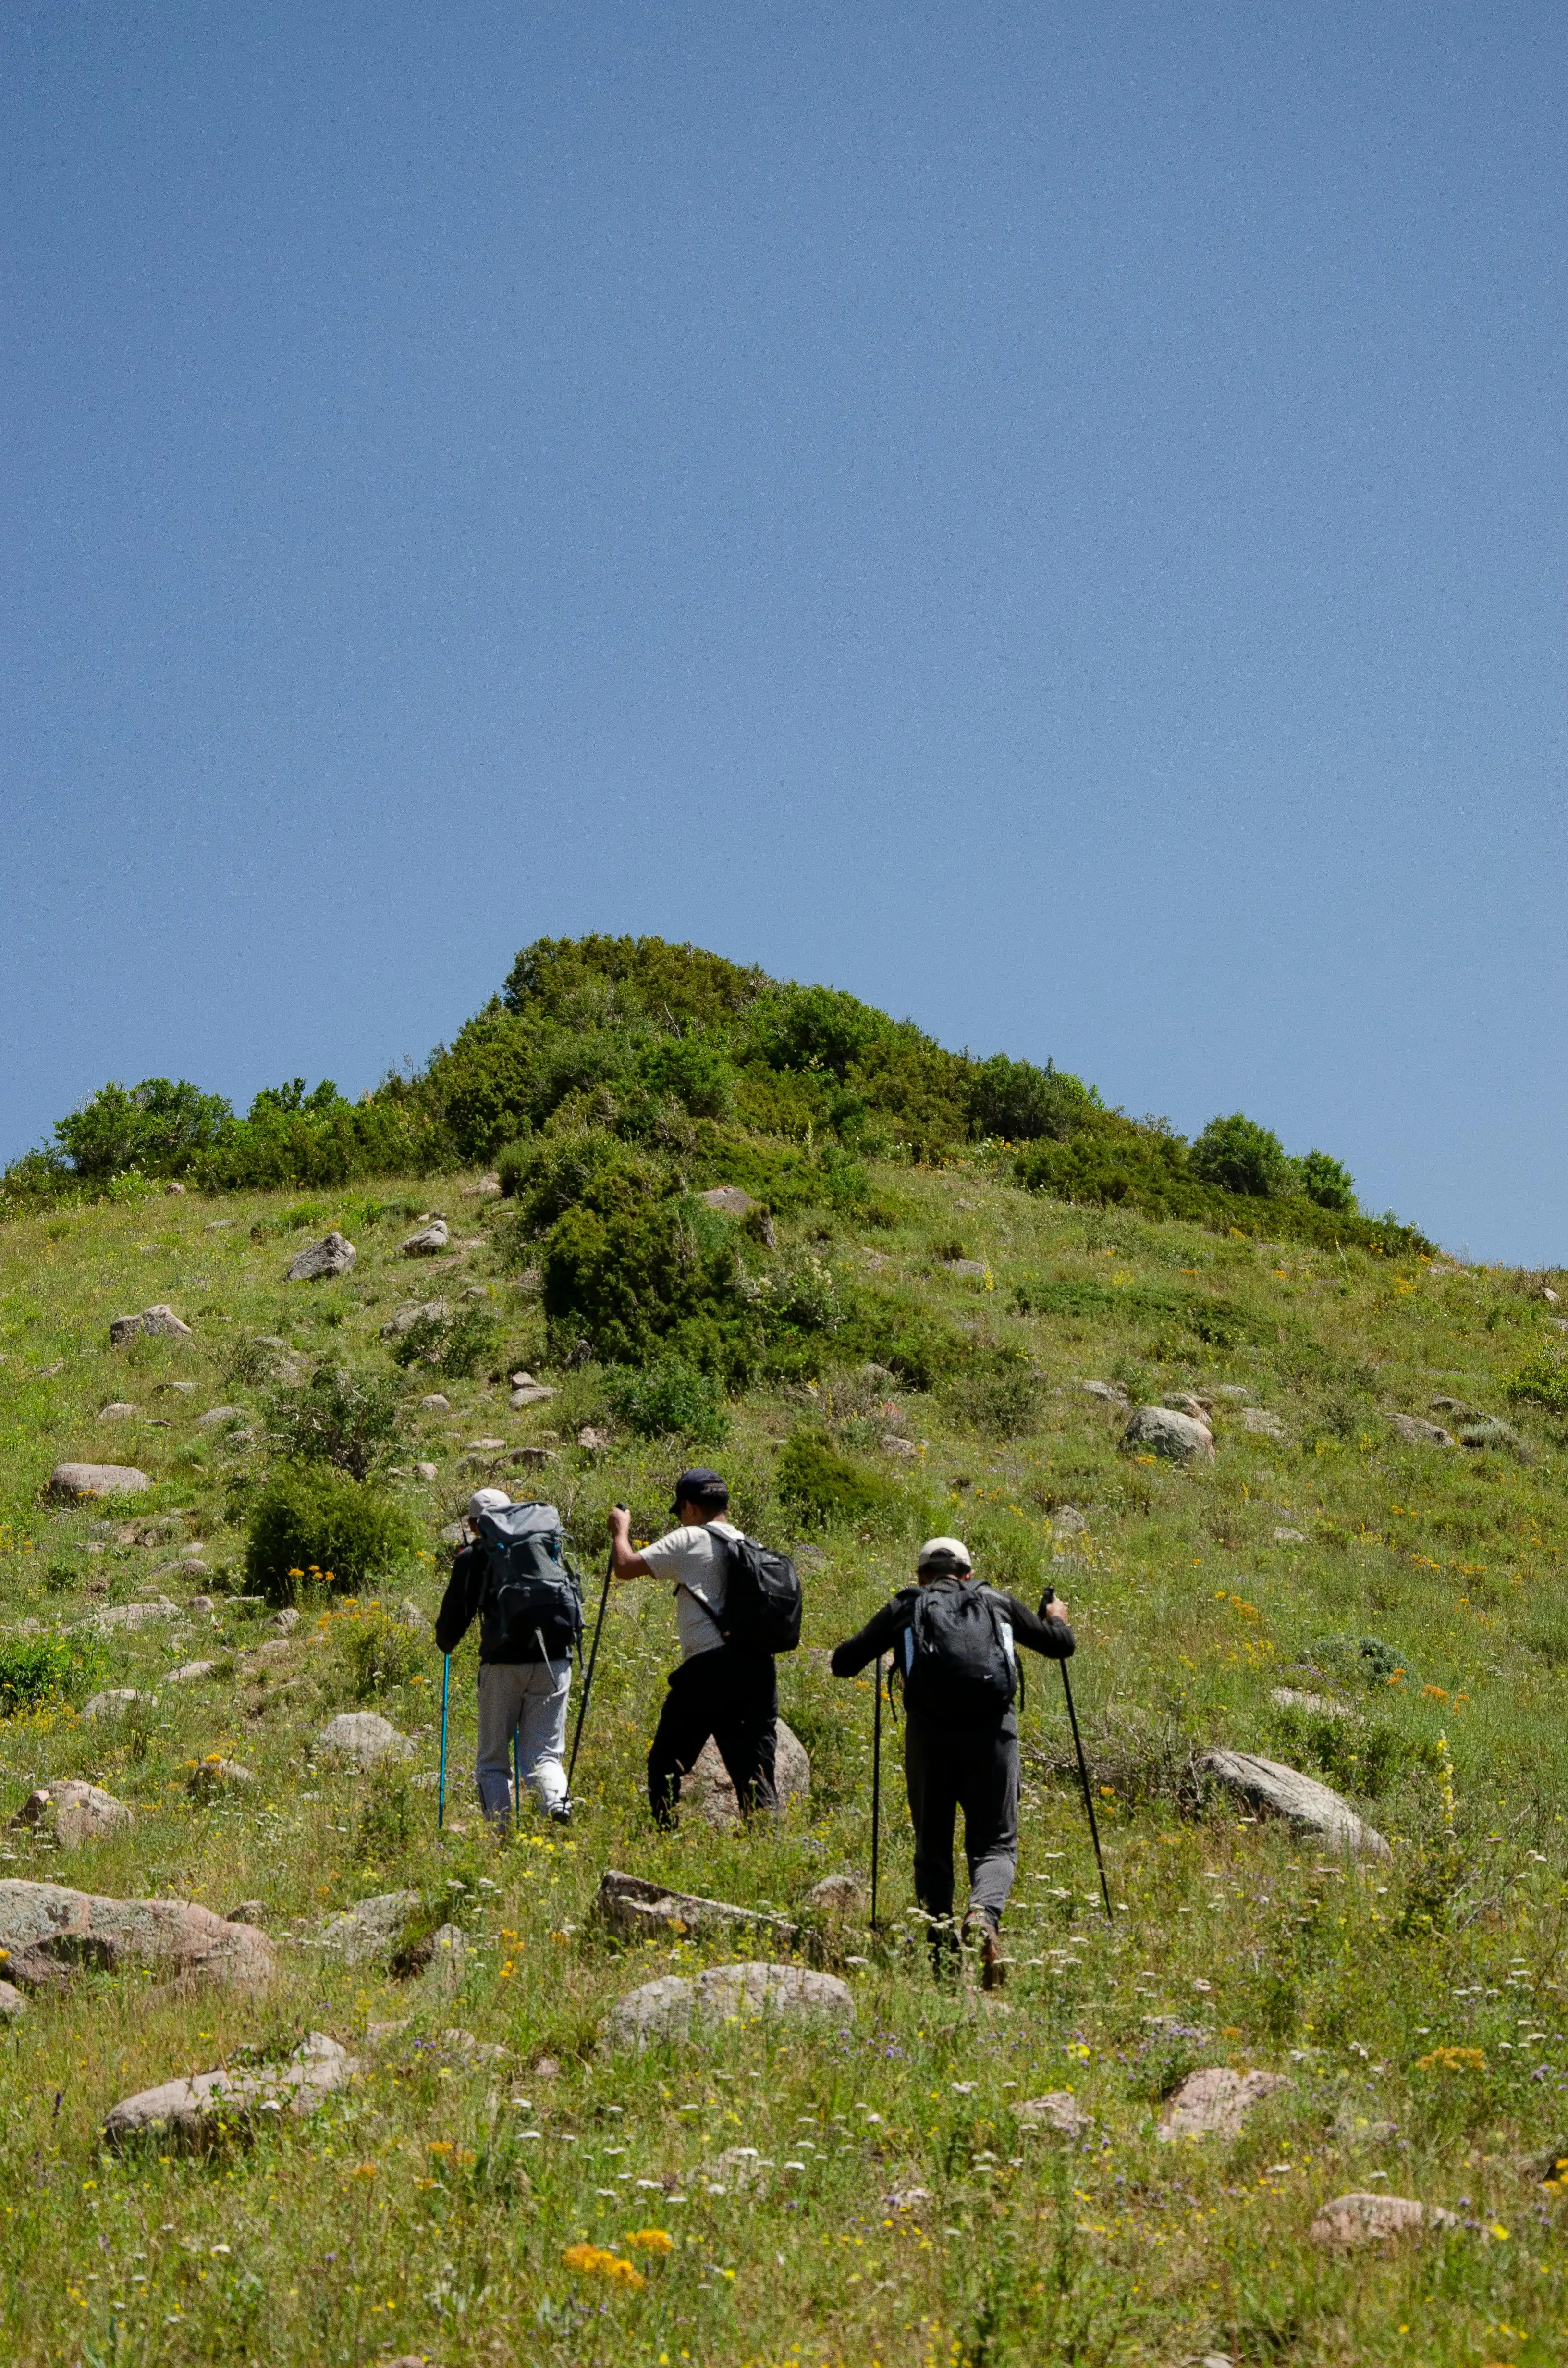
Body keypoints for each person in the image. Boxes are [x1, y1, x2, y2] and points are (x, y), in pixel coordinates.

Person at [829, 1535, 1074, 1988]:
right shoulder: (996, 1601)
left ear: (921, 1576)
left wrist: (891, 1640)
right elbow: (1062, 1647)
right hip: (994, 1736)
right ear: (967, 1572)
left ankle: (942, 1961)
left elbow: (843, 1664)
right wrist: (1057, 1618)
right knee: (996, 1845)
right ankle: (983, 1914)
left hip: (929, 1737)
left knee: (933, 1849)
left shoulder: (908, 1605)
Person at [607, 1468, 778, 1827]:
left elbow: (624, 1567)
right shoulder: (749, 1545)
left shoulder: (690, 1539)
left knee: (665, 1765)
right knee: (755, 1773)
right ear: (725, 1505)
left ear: (689, 1507)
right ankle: (766, 1847)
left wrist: (621, 1530)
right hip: (759, 1669)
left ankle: (665, 1838)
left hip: (709, 1669)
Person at [434, 1487, 574, 1826]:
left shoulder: (475, 1556)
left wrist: (447, 1643)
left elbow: (452, 1624)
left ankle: (501, 1834)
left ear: (473, 1524)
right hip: (556, 1657)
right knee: (543, 1754)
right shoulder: (544, 1545)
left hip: (503, 1664)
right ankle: (557, 1806)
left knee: (493, 1760)